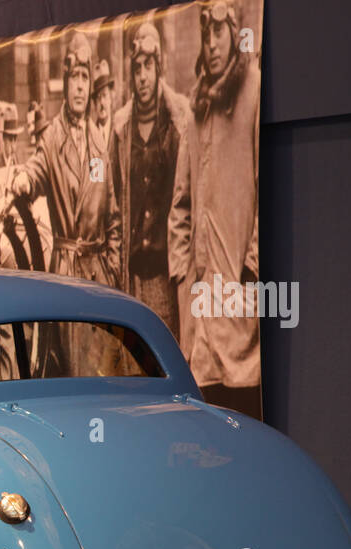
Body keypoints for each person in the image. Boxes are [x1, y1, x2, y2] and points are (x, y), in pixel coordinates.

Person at [169, 0, 261, 416]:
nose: (211, 43)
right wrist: (182, 276)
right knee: (207, 430)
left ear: (235, 31)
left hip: (241, 312)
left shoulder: (255, 91)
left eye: (219, 31)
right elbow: (181, 205)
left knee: (248, 420)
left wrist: (251, 269)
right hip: (200, 315)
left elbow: (264, 195)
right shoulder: (196, 106)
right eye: (205, 33)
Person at [10, 29, 120, 288]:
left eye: (85, 77)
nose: (80, 86)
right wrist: (24, 178)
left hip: (97, 275)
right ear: (66, 83)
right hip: (65, 272)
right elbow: (36, 169)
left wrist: (112, 268)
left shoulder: (98, 143)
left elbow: (112, 217)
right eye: (74, 78)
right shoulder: (52, 138)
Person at [112, 20, 190, 336]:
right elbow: (115, 202)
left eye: (148, 66)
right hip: (133, 278)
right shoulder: (121, 129)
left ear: (159, 67)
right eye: (136, 69)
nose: (142, 76)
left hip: (168, 277)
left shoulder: (179, 122)